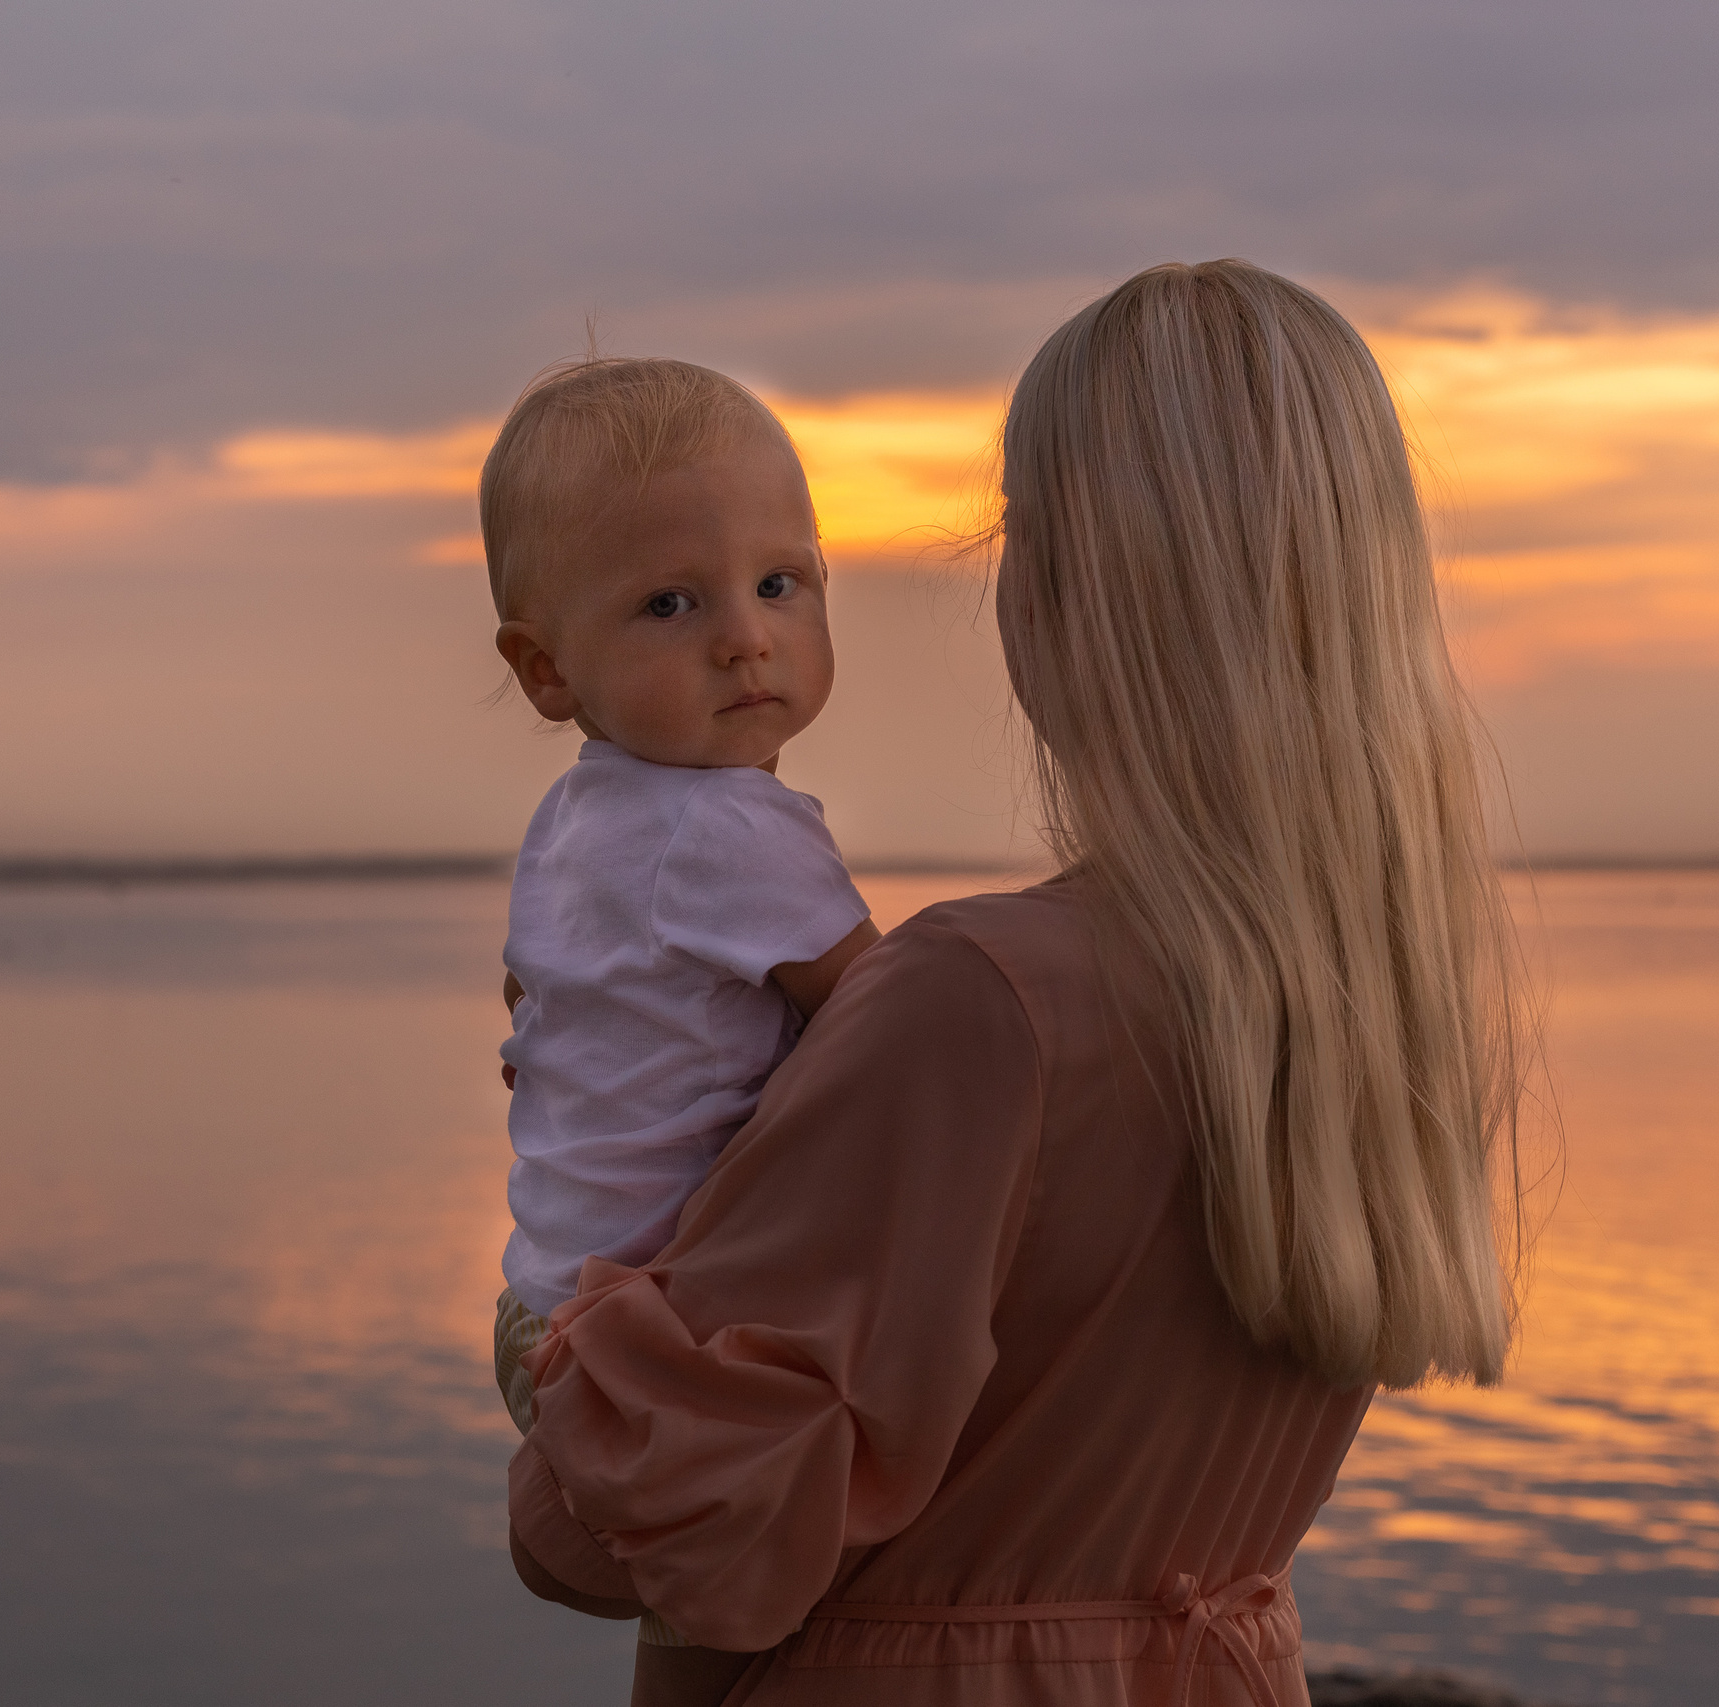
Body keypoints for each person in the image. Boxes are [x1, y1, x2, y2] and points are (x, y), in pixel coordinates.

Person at [507, 260, 1532, 1707]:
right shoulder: (1365, 1009)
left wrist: (594, 1289)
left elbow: (626, 1530)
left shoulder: (976, 1004)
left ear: (1065, 595)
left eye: (1021, 537)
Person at [481, 358, 881, 1499]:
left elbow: (535, 1000)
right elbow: (900, 1015)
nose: (744, 638)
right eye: (671, 603)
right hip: (660, 1328)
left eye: (777, 584)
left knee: (704, 1607)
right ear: (545, 668)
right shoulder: (723, 829)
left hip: (546, 1305)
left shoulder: (577, 816)